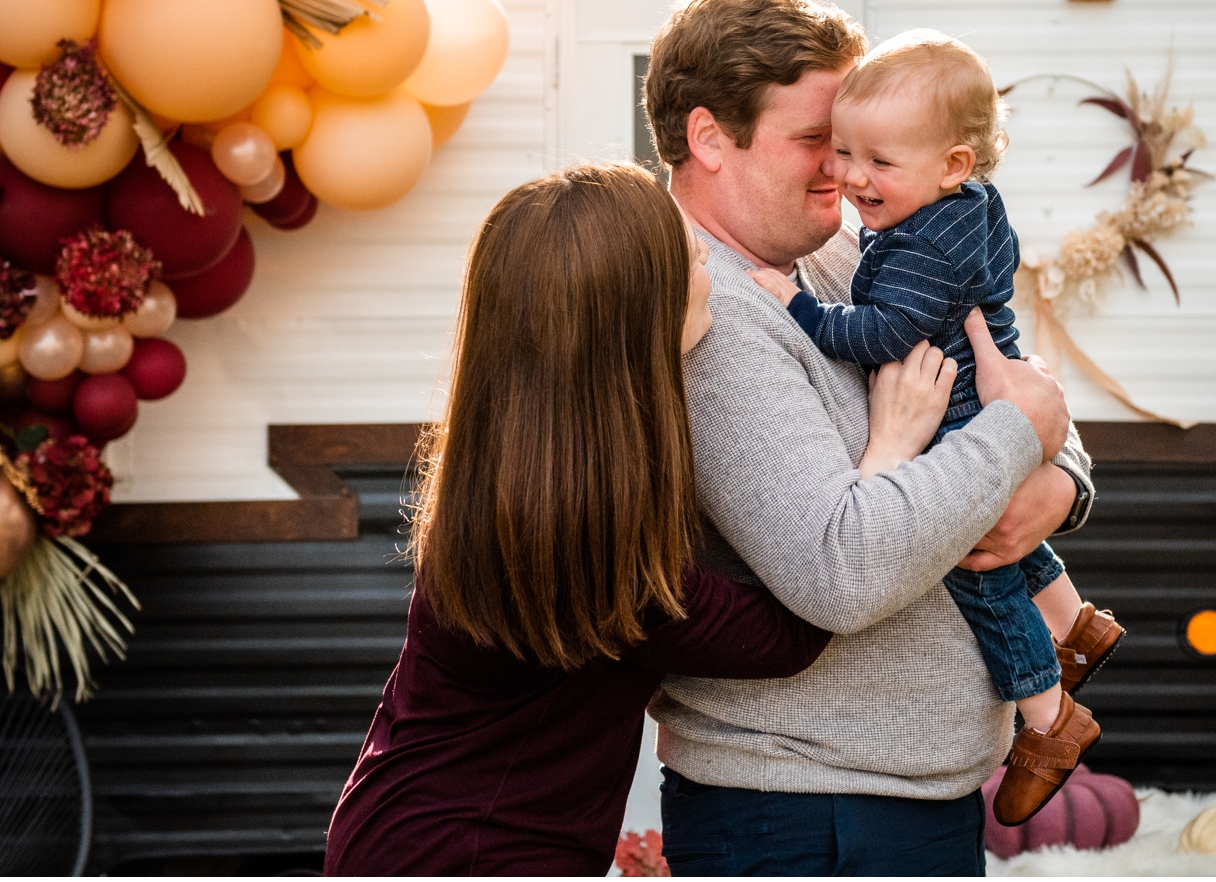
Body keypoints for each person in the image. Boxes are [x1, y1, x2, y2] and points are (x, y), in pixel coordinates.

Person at [322, 162, 961, 876]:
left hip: (406, 829)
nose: (702, 253)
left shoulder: (528, 473)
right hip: (471, 854)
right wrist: (887, 451)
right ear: (631, 307)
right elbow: (795, 625)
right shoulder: (577, 545)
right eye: (684, 251)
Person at [643, 0, 1109, 875]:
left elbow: (1025, 390)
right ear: (709, 136)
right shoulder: (707, 311)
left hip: (907, 791)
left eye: (861, 144)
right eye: (820, 139)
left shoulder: (846, 246)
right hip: (802, 811)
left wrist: (1052, 485)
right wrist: (1013, 444)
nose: (847, 170)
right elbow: (841, 571)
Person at [748, 29, 1125, 827]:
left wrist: (802, 307)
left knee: (977, 570)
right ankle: (1074, 620)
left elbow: (882, 333)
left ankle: (1051, 720)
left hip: (959, 413)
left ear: (953, 162)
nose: (848, 175)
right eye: (836, 148)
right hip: (989, 393)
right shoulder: (963, 206)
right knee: (1002, 530)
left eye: (873, 160)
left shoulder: (909, 242)